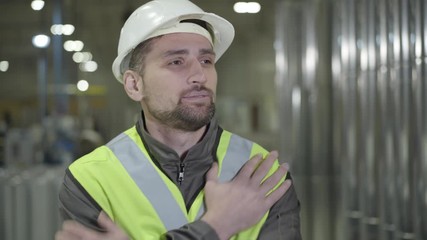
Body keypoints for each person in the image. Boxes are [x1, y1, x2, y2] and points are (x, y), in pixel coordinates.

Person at [55, 0, 301, 239]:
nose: (199, 75)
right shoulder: (90, 179)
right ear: (134, 84)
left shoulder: (263, 173)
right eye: (176, 61)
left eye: (206, 61)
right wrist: (216, 227)